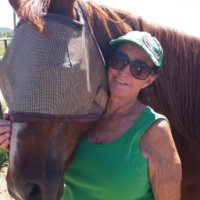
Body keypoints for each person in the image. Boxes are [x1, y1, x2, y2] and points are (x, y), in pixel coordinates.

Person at [0, 31, 182, 200]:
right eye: (119, 59)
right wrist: (16, 143)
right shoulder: (80, 113)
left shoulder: (155, 131)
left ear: (149, 80)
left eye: (139, 69)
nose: (124, 71)